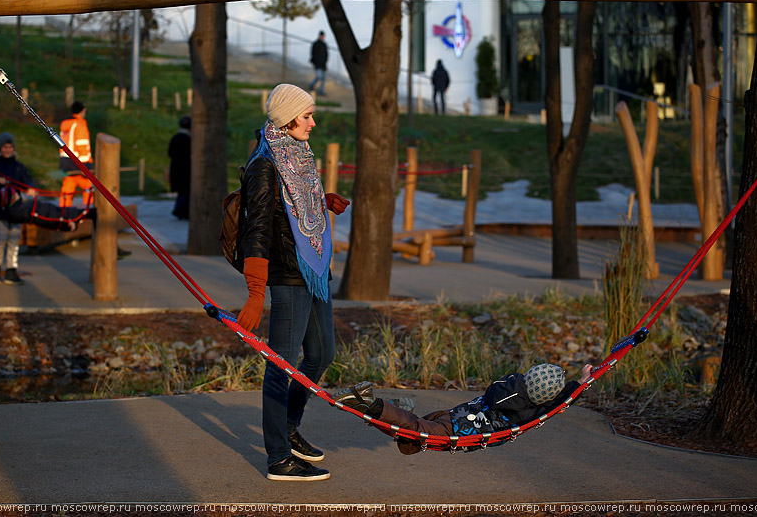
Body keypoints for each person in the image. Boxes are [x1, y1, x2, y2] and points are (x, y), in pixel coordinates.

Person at [239, 83, 350, 481]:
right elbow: (257, 228)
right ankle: (278, 458)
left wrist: (323, 202)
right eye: (307, 116)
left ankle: (288, 425)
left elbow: (295, 205)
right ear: (288, 118)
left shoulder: (298, 155)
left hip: (314, 269)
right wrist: (255, 292)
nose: (313, 123)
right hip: (287, 274)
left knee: (321, 354)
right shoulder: (264, 165)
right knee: (281, 362)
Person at [333, 363, 594, 455]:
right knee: (415, 431)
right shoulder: (529, 412)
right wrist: (577, 388)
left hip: (456, 413)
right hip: (461, 431)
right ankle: (372, 405)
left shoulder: (510, 385)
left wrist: (576, 384)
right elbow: (553, 404)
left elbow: (552, 401)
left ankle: (386, 408)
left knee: (412, 434)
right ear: (543, 398)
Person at [0, 132, 37, 285]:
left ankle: (11, 270)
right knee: (0, 238)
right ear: (0, 148)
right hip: (0, 208)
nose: (8, 150)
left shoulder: (18, 167)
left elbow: (27, 180)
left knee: (14, 239)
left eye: (10, 147)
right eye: (5, 147)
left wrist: (30, 188)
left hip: (15, 209)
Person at [58, 100, 93, 208]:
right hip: (77, 161)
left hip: (65, 160)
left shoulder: (65, 124)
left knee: (68, 187)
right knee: (88, 186)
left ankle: (64, 211)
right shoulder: (79, 124)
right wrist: (85, 165)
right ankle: (89, 209)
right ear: (82, 111)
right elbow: (82, 144)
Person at [167, 116, 191, 220]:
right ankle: (182, 212)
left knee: (181, 192)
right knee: (185, 192)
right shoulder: (189, 139)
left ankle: (179, 210)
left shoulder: (175, 138)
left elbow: (170, 153)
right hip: (186, 169)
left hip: (176, 168)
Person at [308, 31, 328, 96]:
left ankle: (321, 90)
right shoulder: (316, 44)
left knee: (323, 78)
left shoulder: (324, 45)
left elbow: (326, 55)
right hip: (317, 64)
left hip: (323, 65)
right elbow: (313, 54)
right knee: (319, 76)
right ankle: (312, 85)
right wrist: (315, 62)